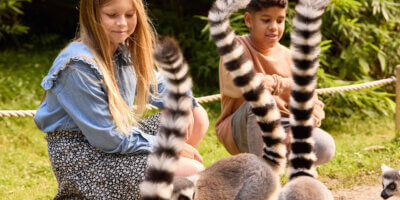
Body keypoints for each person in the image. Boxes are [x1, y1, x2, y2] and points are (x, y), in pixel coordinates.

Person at [33, 0, 209, 199]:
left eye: (129, 15)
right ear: (92, 16)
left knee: (196, 115)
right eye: (112, 15)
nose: (122, 23)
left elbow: (159, 85)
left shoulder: (123, 49)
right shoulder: (78, 67)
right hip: (86, 158)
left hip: (117, 139)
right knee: (191, 171)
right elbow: (108, 138)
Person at [215, 0, 335, 166]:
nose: (274, 27)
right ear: (248, 20)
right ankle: (263, 177)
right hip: (242, 128)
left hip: (283, 125)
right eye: (266, 20)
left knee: (324, 145)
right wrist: (284, 83)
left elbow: (312, 102)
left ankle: (275, 165)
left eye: (280, 20)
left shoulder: (291, 57)